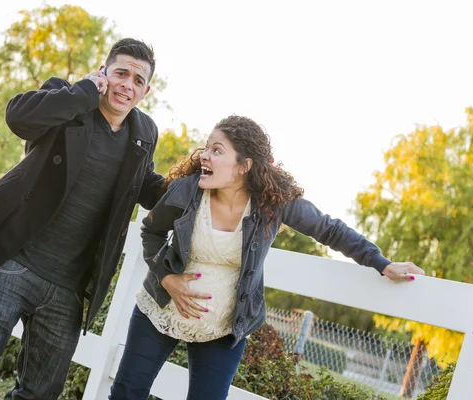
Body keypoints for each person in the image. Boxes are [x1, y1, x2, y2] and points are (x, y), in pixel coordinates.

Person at [109, 115, 425, 400]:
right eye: (207, 147)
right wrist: (168, 278)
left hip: (224, 327)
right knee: (127, 392)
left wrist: (381, 263)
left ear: (244, 166)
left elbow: (329, 230)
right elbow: (150, 232)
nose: (205, 155)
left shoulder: (273, 204)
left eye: (217, 150)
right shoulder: (185, 191)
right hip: (160, 310)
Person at [0, 38, 164, 399]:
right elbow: (18, 117)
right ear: (104, 72)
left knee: (39, 393)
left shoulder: (145, 133)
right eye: (120, 73)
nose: (127, 85)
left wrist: (202, 185)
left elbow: (145, 186)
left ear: (146, 90)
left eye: (137, 80)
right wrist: (84, 92)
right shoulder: (69, 98)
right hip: (14, 263)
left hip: (68, 288)